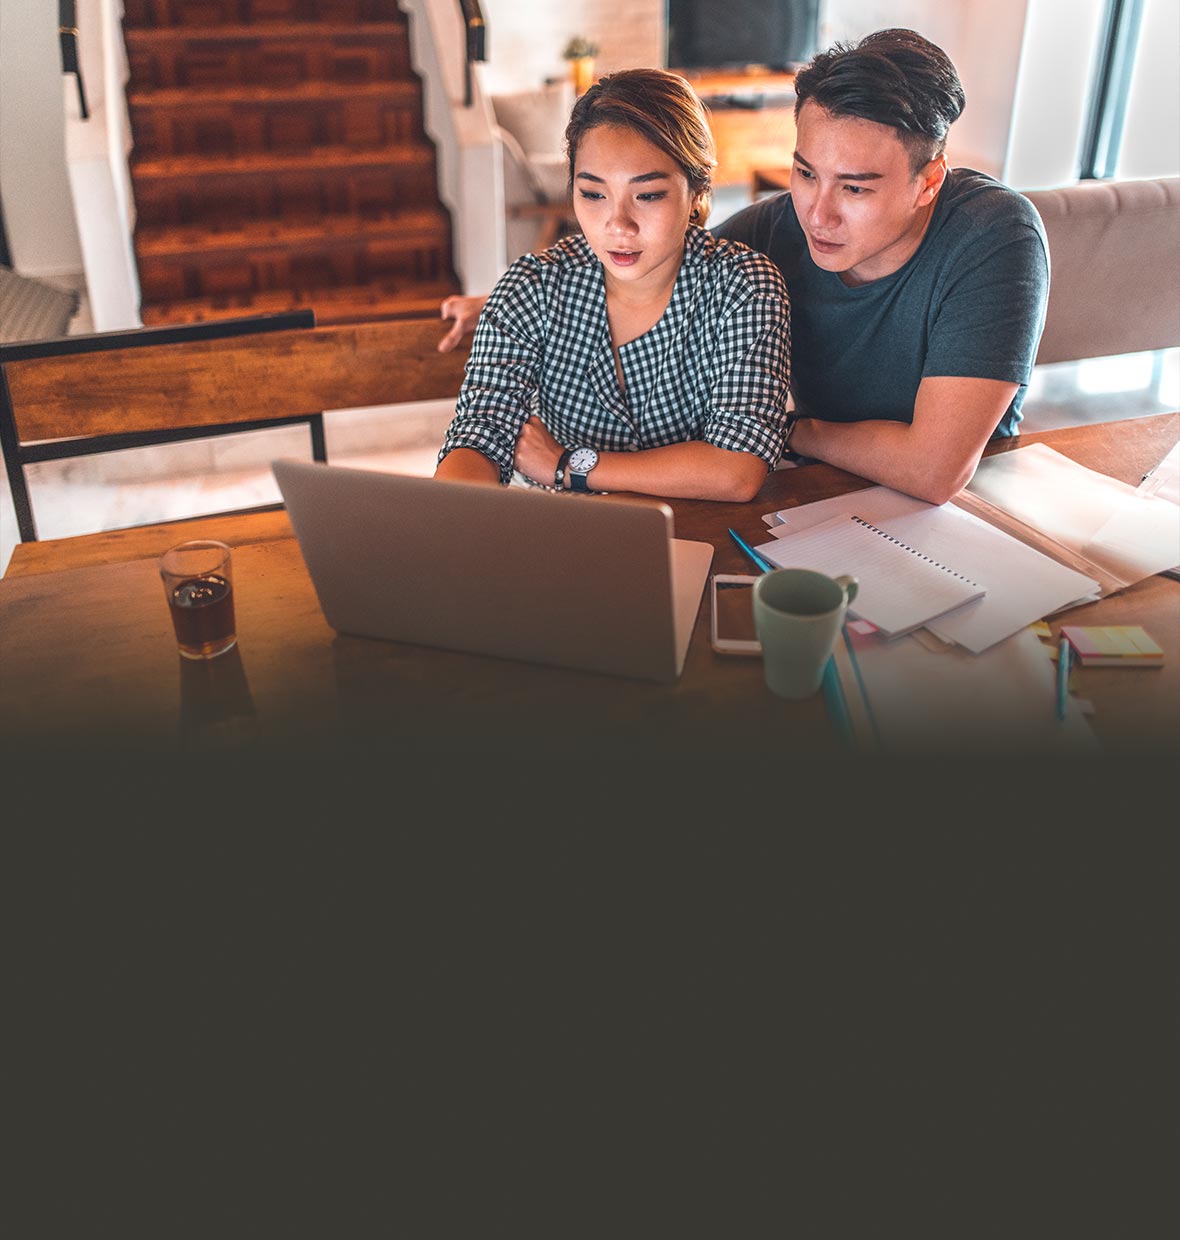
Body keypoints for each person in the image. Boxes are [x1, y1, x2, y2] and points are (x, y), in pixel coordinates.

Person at [439, 30, 1050, 507]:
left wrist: (781, 432)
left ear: (928, 182)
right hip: (815, 494)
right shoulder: (775, 229)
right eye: (806, 172)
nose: (818, 213)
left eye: (855, 189)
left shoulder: (992, 234)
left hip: (966, 509)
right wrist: (500, 303)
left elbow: (934, 470)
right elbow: (652, 259)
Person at [433, 68, 792, 503]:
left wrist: (569, 465)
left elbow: (737, 468)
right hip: (567, 536)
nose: (617, 225)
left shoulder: (743, 288)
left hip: (700, 534)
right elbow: (479, 435)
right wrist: (449, 518)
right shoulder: (531, 288)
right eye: (593, 194)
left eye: (648, 195)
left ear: (697, 190)